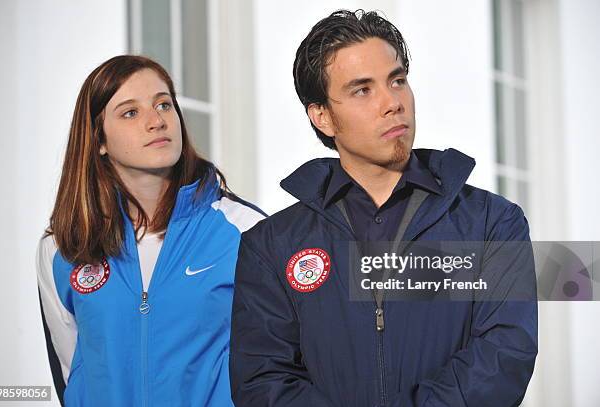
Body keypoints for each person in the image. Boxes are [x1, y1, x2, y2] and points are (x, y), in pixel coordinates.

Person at [229, 9, 537, 407]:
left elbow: (504, 354)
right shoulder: (270, 245)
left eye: (398, 81)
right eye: (363, 90)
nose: (392, 102)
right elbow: (263, 379)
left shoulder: (493, 223)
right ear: (322, 116)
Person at [36, 55, 264, 406]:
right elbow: (71, 373)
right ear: (99, 140)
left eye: (164, 105)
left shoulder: (246, 231)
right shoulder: (62, 248)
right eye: (130, 112)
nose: (156, 121)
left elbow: (274, 365)